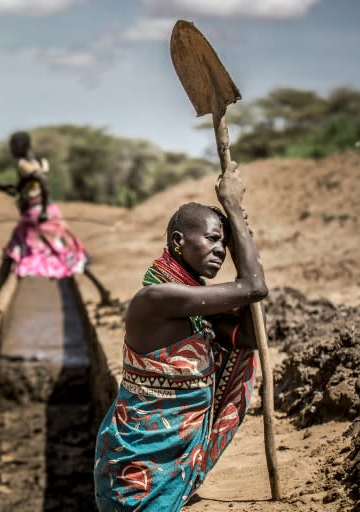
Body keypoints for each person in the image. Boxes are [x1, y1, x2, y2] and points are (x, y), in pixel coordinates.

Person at [93, 164, 267, 511]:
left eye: (225, 242)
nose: (220, 249)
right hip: (140, 462)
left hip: (172, 457)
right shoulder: (158, 299)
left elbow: (247, 337)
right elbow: (253, 287)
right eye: (212, 239)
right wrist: (232, 207)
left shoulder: (194, 307)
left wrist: (238, 236)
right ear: (178, 242)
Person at [0, 131, 112, 310]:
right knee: (64, 252)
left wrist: (41, 212)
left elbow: (42, 183)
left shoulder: (22, 164)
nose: (11, 149)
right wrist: (14, 188)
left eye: (13, 145)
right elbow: (32, 184)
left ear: (20, 146)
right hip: (50, 212)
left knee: (11, 254)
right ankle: (102, 290)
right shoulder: (39, 161)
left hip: (36, 217)